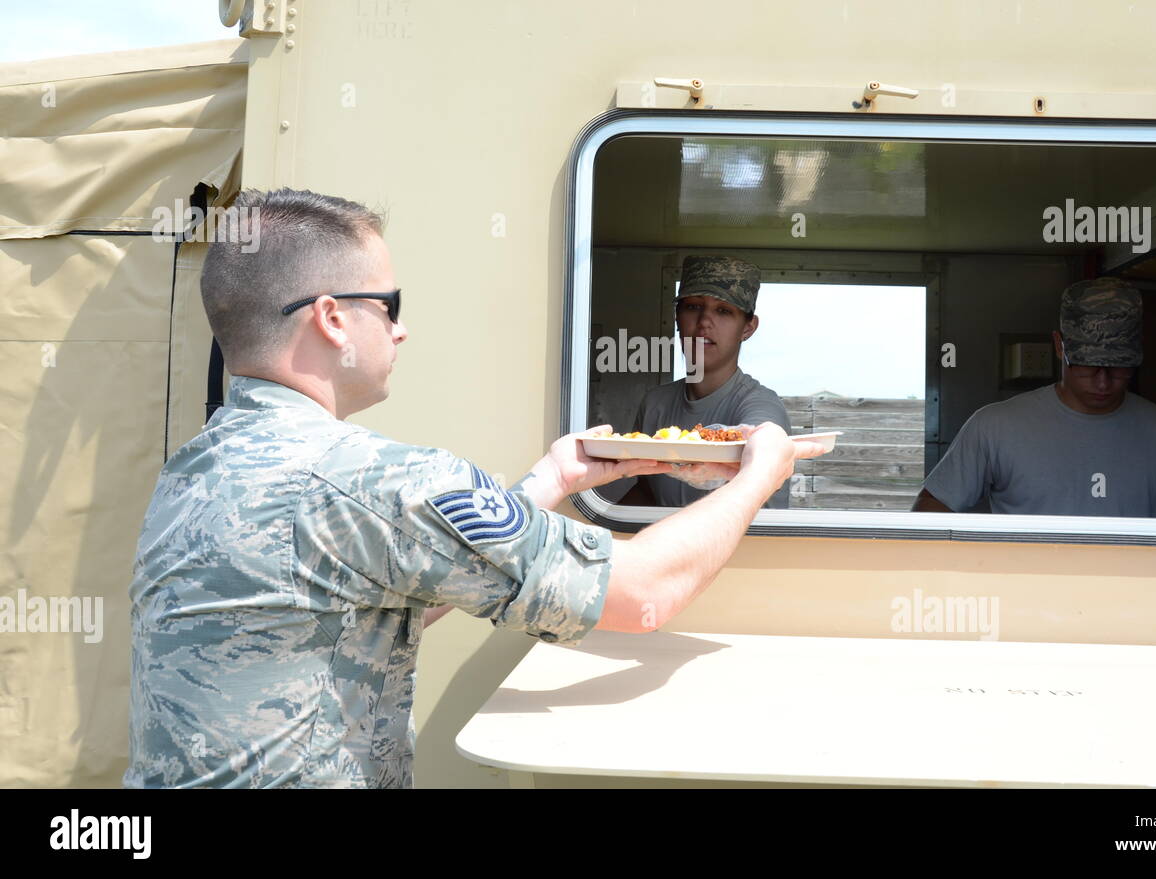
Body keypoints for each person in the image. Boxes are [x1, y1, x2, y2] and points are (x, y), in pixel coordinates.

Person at [124, 189, 824, 789]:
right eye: (389, 304)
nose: (402, 328)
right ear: (332, 317)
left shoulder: (189, 471)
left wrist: (550, 481)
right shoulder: (383, 479)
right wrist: (763, 470)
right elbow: (642, 596)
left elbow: (372, 605)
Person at [911, 277, 1156, 519]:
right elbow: (930, 512)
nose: (1103, 381)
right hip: (1027, 606)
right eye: (1087, 365)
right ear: (1058, 345)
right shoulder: (994, 428)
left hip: (1135, 607)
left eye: (1119, 366)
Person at [621, 255, 794, 509]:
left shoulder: (760, 406)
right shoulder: (656, 404)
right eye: (692, 306)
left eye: (723, 310)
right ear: (677, 317)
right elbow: (648, 493)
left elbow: (759, 469)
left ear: (748, 328)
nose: (703, 322)